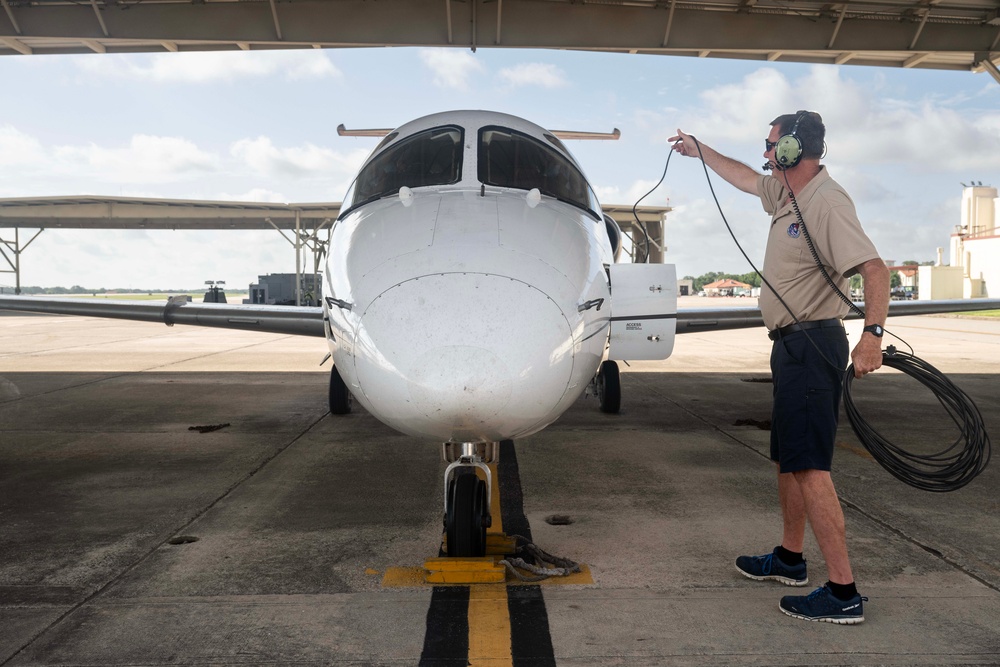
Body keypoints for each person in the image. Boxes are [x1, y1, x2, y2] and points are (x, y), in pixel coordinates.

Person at [669, 111, 890, 625]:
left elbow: (873, 268)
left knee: (811, 466)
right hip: (791, 346)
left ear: (792, 150)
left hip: (815, 345)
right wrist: (700, 150)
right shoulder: (786, 194)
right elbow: (745, 177)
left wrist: (872, 337)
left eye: (771, 146)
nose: (766, 153)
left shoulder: (826, 201)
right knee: (789, 459)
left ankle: (843, 592)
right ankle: (791, 559)